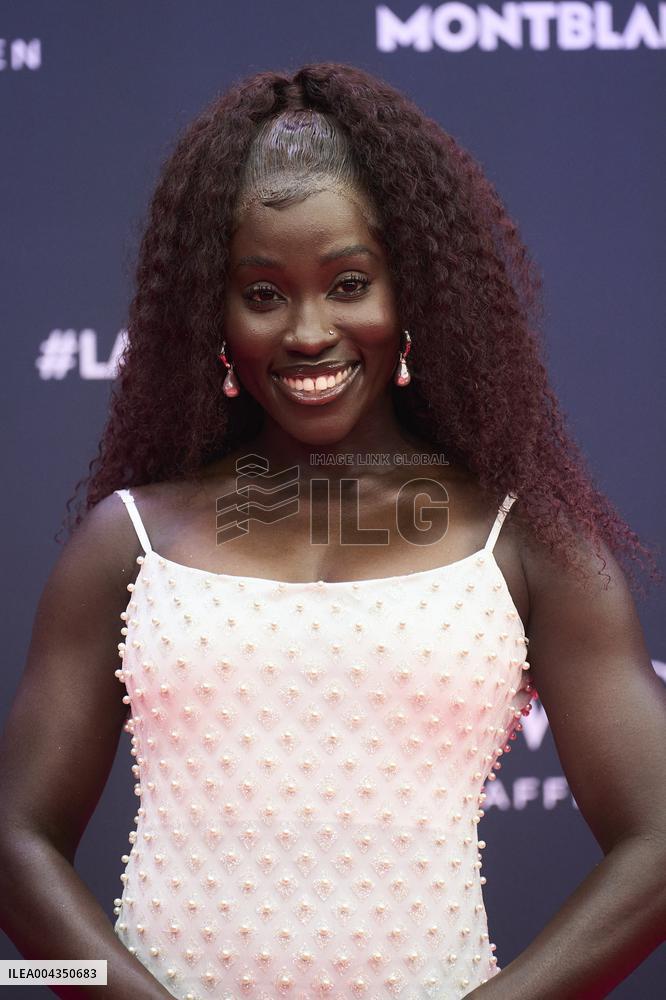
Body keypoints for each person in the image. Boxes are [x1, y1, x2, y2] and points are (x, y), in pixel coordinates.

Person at [0, 61, 664, 1000]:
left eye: (349, 282)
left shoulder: (524, 544)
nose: (309, 331)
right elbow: (14, 848)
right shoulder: (128, 542)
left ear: (415, 295)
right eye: (263, 293)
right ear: (215, 316)